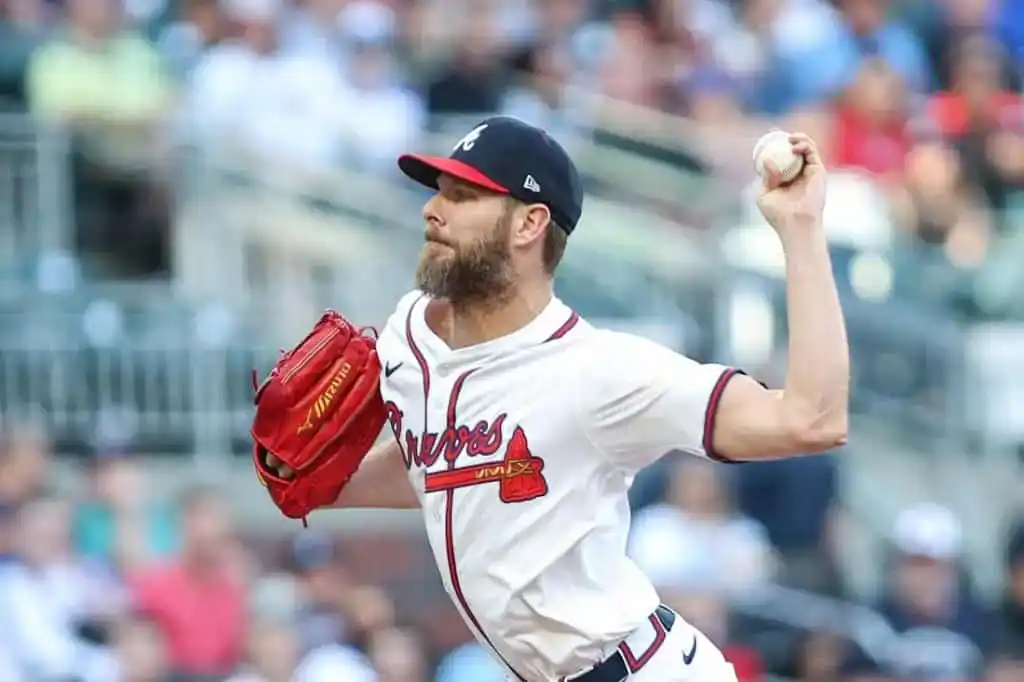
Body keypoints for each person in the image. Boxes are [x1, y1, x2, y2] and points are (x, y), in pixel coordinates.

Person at [267, 116, 849, 681]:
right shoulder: (409, 334)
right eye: (439, 190)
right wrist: (319, 483)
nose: (432, 209)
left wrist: (800, 230)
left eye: (464, 196)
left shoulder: (598, 374)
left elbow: (811, 420)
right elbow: (446, 469)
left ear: (529, 224)